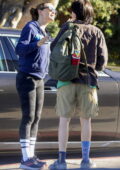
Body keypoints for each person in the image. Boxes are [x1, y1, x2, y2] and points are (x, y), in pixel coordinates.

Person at [49, 0, 108, 169]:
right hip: (88, 81)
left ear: (75, 13)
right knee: (86, 120)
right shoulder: (96, 31)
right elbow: (102, 63)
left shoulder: (67, 28)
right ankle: (85, 160)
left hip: (66, 80)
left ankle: (61, 161)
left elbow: (54, 49)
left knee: (64, 120)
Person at [15, 2, 56, 170]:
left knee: (36, 118)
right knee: (28, 117)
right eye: (50, 9)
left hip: (40, 79)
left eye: (55, 10)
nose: (54, 12)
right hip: (27, 77)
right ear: (40, 11)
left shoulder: (44, 31)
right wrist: (37, 44)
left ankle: (31, 156)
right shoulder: (31, 27)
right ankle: (25, 159)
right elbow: (19, 49)